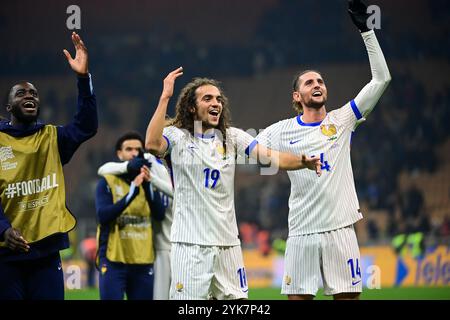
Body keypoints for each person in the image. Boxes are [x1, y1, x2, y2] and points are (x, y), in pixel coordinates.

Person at [253, 0, 391, 300]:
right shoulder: (280, 130)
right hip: (301, 233)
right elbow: (246, 148)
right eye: (309, 82)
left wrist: (367, 32)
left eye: (320, 80)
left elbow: (381, 79)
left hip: (340, 231)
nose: (317, 84)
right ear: (297, 95)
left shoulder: (343, 119)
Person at [145, 68, 322, 300]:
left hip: (228, 245)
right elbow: (151, 143)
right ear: (191, 107)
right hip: (190, 245)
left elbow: (272, 156)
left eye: (218, 98)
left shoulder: (232, 137)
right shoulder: (178, 137)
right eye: (207, 98)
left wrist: (302, 161)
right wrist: (165, 97)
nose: (215, 103)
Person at [0, 32, 97, 300]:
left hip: (46, 252)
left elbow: (86, 126)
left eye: (33, 93)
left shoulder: (53, 137)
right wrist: (3, 229)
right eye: (21, 93)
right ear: (9, 105)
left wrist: (83, 79)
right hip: (5, 254)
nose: (29, 96)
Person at [95, 131, 165, 300]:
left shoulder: (150, 181)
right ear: (119, 154)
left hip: (143, 261)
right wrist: (131, 194)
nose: (134, 153)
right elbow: (103, 216)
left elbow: (159, 215)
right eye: (129, 149)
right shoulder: (108, 181)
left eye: (138, 150)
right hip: (113, 260)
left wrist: (147, 187)